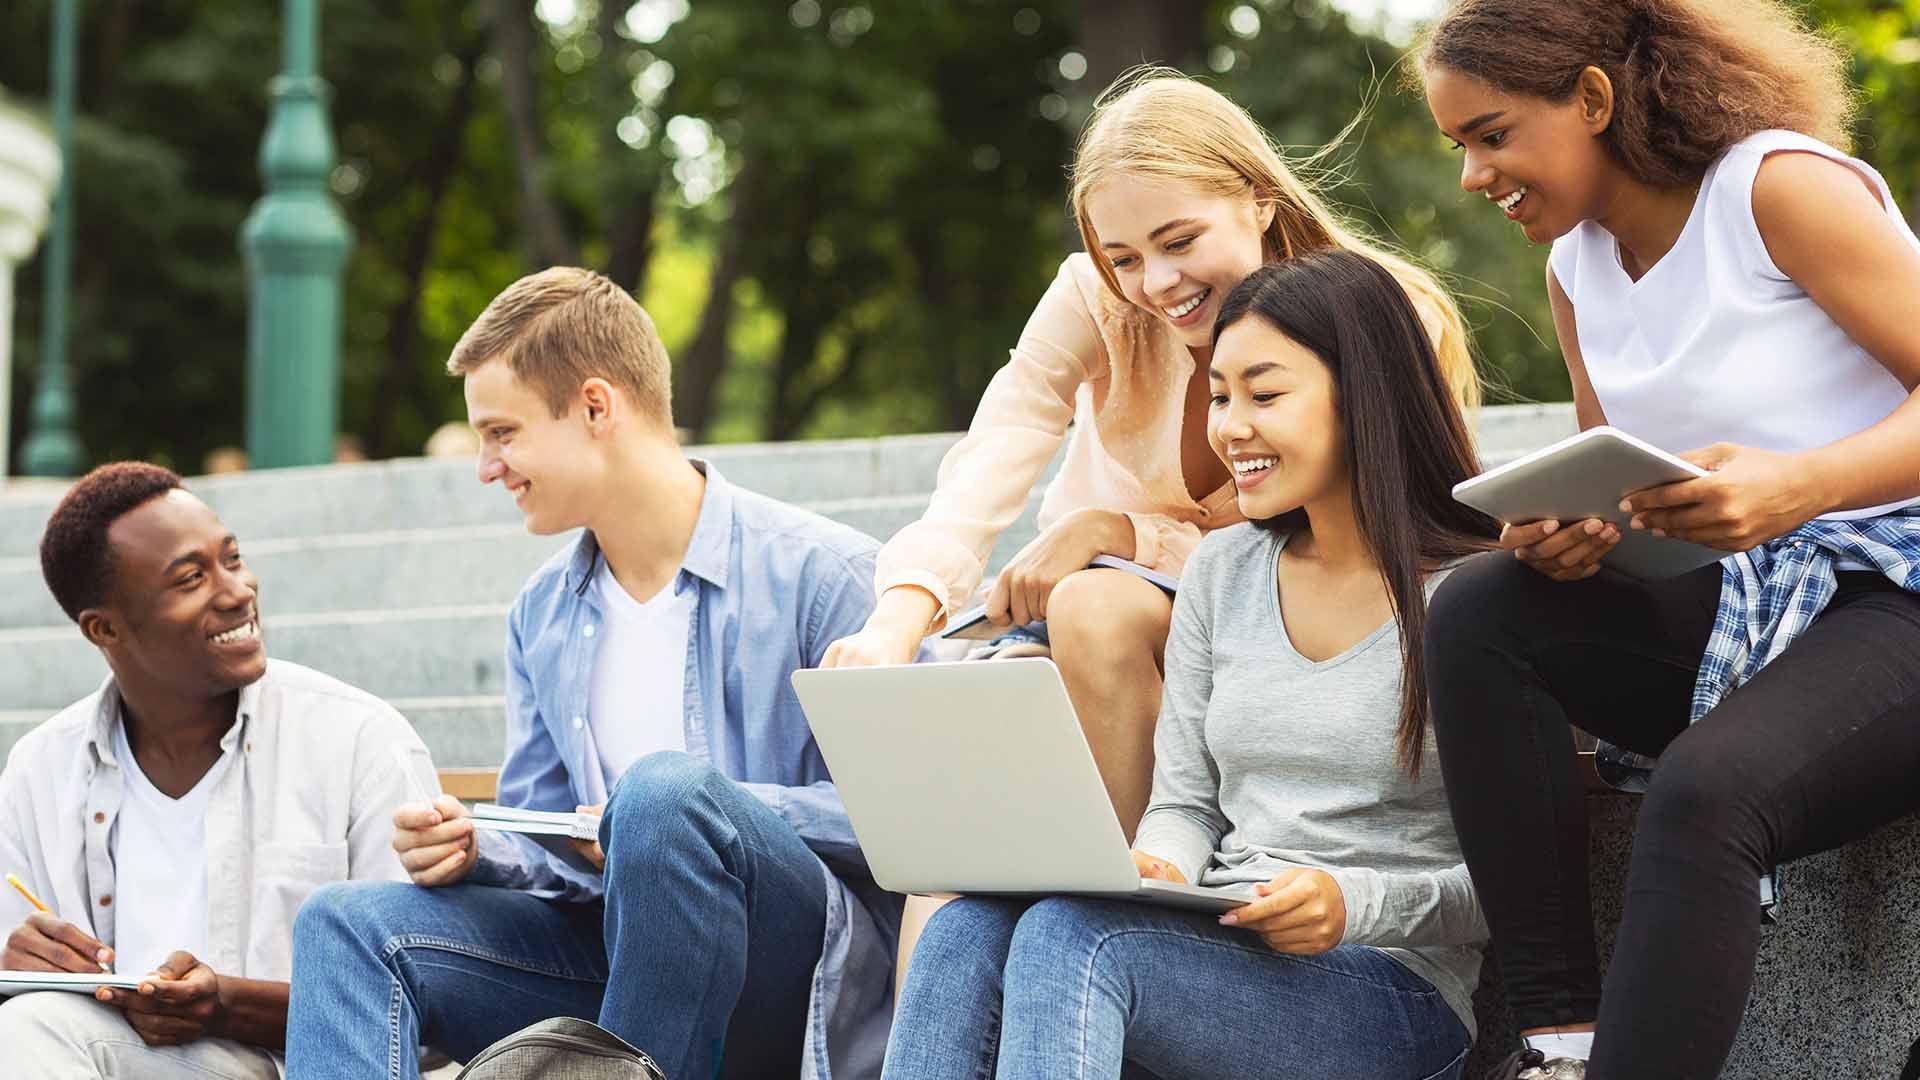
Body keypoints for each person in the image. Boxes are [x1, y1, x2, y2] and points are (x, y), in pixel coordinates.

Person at [822, 67, 1477, 978]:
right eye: (1123, 256)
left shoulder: (1379, 316)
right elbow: (1004, 435)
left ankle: (1125, 926)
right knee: (963, 834)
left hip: (1239, 626)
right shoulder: (1096, 298)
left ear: (1256, 199)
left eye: (1179, 241)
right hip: (1077, 627)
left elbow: (1367, 530)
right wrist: (900, 614)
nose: (1156, 283)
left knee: (1097, 608)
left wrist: (1121, 535)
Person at [1416, 3, 1920, 1077]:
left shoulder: (1776, 188)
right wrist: (1575, 534)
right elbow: (1625, 480)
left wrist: (1804, 486)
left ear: (1594, 99)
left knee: (1706, 787)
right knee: (1479, 607)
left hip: (1898, 594)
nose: (1472, 175)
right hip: (1745, 606)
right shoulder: (1575, 267)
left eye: (1492, 135)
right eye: (1459, 145)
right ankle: (1558, 1045)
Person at [883, 252, 1498, 1080]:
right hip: (1225, 939)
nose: (1231, 427)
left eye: (1264, 395)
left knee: (1074, 937)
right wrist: (1161, 867)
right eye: (1219, 395)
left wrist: (1353, 904)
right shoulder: (1223, 570)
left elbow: (1520, 881)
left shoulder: (1473, 593)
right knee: (965, 928)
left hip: (1393, 987)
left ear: (1365, 394)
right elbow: (1184, 806)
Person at [284, 268, 902, 1080]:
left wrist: (683, 820)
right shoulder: (542, 613)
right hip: (618, 964)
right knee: (346, 922)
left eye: (502, 433)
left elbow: (911, 816)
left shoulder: (826, 575)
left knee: (665, 797)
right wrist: (482, 849)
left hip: (793, 980)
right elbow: (551, 842)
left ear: (596, 408)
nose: (486, 467)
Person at [0, 462, 433, 1078]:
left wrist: (225, 1008)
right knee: (25, 1024)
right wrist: (19, 970)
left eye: (232, 559)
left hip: (301, 1067)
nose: (238, 591)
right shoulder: (41, 768)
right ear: (105, 628)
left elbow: (431, 1009)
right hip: (108, 1058)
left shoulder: (357, 738)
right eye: (191, 579)